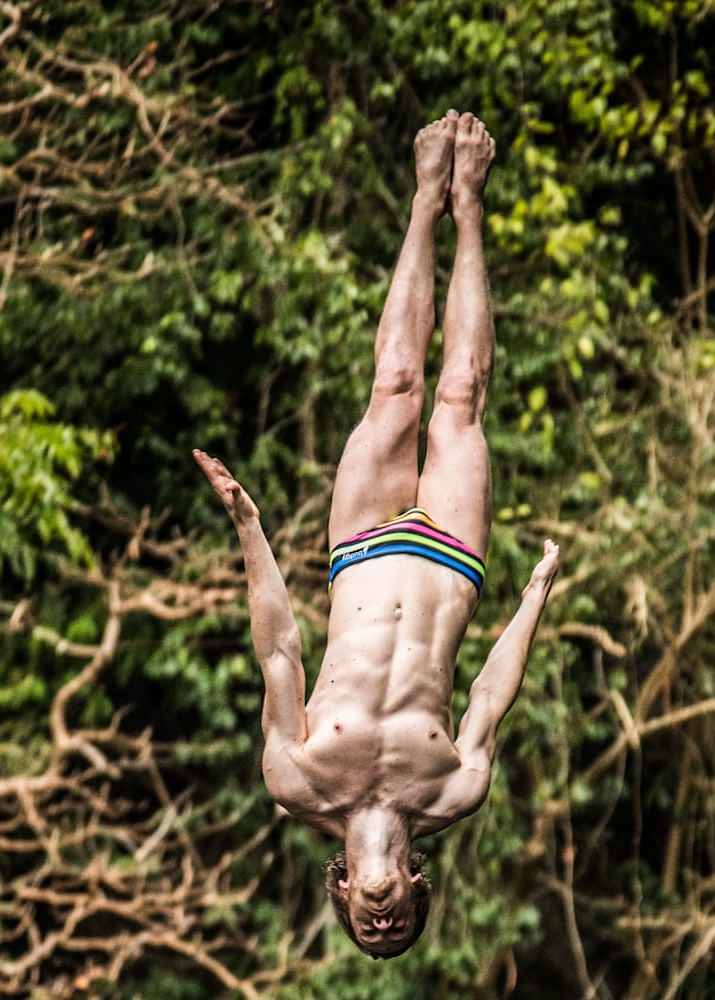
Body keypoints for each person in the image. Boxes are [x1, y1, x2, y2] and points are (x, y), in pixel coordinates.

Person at [193, 109, 559, 959]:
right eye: (397, 927)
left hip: (361, 544)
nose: (382, 923)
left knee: (396, 382)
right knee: (461, 390)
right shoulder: (454, 789)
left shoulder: (295, 778)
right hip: (452, 558)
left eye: (370, 926)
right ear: (419, 889)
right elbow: (491, 695)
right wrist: (535, 595)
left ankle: (425, 190)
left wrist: (250, 528)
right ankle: (467, 204)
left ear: (346, 892)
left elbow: (279, 651)